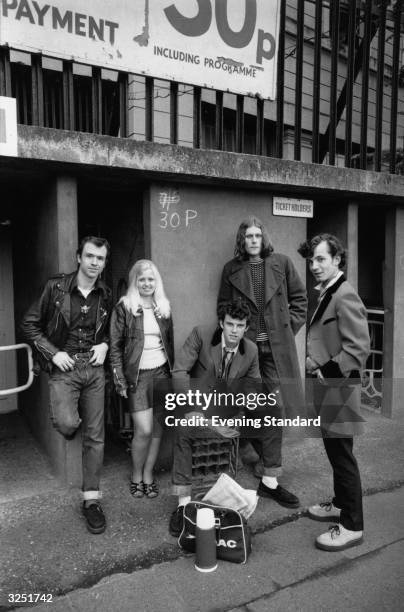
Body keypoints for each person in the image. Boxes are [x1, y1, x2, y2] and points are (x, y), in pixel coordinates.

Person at [21, 236, 112, 534]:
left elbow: (113, 331)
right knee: (67, 423)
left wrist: (106, 345)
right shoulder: (55, 287)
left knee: (96, 436)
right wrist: (53, 352)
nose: (94, 263)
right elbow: (29, 324)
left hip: (94, 369)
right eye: (89, 256)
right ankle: (71, 416)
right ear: (78, 257)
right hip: (65, 367)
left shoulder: (106, 293)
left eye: (100, 258)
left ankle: (91, 500)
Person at [218, 216, 307, 508]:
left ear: (263, 238)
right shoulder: (231, 270)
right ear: (242, 241)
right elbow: (222, 308)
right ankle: (260, 460)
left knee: (276, 408)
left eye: (257, 235)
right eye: (248, 236)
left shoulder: (282, 262)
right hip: (248, 351)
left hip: (276, 352)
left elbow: (300, 300)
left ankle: (270, 477)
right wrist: (235, 336)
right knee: (250, 407)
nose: (253, 240)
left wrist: (285, 327)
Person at [298, 233, 370, 551]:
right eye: (312, 259)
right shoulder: (329, 291)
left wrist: (320, 368)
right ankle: (340, 504)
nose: (314, 265)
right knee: (335, 452)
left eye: (321, 259)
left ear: (337, 260)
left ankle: (352, 525)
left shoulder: (344, 294)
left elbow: (358, 350)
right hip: (329, 387)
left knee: (342, 457)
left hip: (338, 387)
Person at [168, 299, 261, 537]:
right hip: (196, 407)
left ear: (246, 328)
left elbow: (253, 385)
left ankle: (224, 501)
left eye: (240, 326)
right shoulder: (201, 334)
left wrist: (243, 409)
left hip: (227, 413)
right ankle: (182, 504)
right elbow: (179, 371)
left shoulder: (250, 350)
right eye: (230, 324)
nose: (234, 331)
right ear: (221, 323)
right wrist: (190, 407)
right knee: (182, 429)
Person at [109, 259, 174, 500]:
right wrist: (119, 380)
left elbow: (169, 346)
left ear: (157, 282)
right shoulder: (125, 307)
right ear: (135, 281)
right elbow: (115, 348)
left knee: (157, 429)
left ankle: (148, 475)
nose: (147, 283)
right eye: (142, 279)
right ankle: (136, 474)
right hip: (138, 377)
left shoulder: (164, 307)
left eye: (151, 279)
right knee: (144, 430)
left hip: (161, 373)